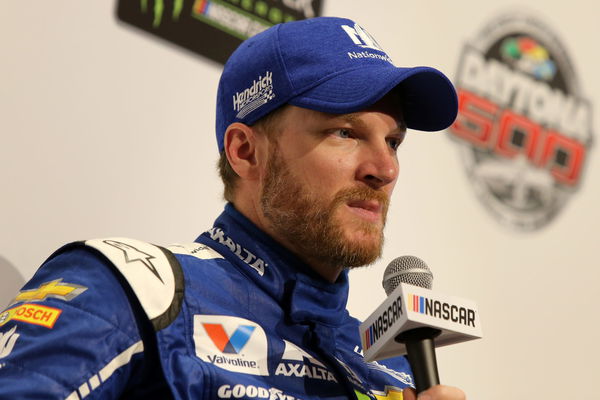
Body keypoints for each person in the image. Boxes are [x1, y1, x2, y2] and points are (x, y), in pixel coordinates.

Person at [0, 17, 465, 400]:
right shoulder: (133, 292)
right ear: (245, 152)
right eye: (345, 132)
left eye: (394, 141)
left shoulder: (391, 367)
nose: (385, 168)